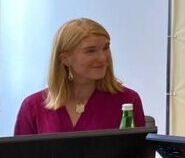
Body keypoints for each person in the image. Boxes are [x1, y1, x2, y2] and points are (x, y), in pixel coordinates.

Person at [14, 18, 145, 135]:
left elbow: (138, 153)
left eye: (106, 48)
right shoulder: (33, 106)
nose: (103, 58)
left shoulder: (128, 100)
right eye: (91, 51)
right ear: (65, 59)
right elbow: (21, 154)